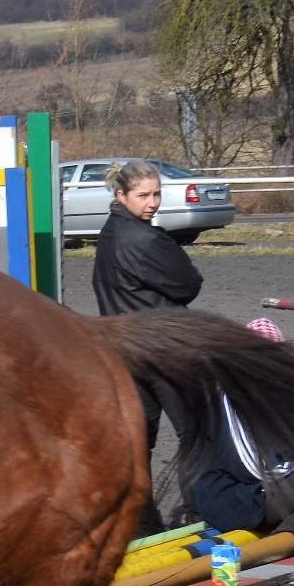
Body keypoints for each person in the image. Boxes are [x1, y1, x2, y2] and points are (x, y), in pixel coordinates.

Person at [91, 158, 204, 532]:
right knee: (197, 432)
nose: (153, 202)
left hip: (124, 351)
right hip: (164, 349)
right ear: (121, 194)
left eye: (156, 193)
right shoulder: (145, 238)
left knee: (139, 443)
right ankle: (197, 511)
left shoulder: (108, 233)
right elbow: (188, 284)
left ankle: (139, 524)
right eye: (144, 195)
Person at [189, 317, 294, 586]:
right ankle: (292, 531)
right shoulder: (278, 393)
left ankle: (293, 530)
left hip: (226, 495)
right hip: (250, 496)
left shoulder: (217, 393)